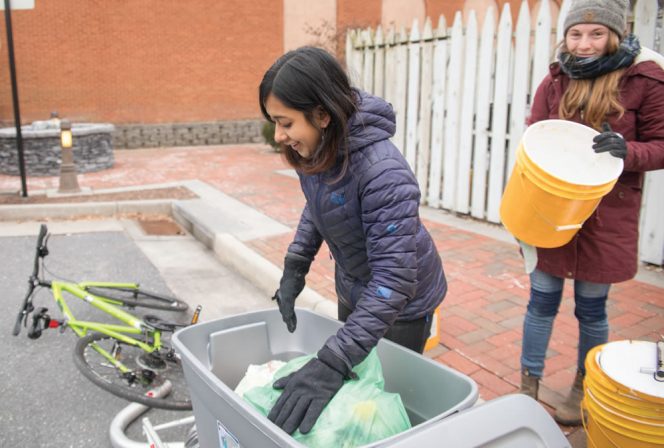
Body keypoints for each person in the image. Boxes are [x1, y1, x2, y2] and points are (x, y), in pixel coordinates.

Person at [258, 46, 447, 435]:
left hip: (401, 306)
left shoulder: (383, 173)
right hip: (356, 286)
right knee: (354, 383)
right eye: (274, 123)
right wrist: (296, 265)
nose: (278, 136)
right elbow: (319, 206)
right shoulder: (320, 148)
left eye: (285, 122)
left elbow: (394, 281)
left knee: (383, 401)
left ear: (322, 115)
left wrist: (332, 361)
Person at [520, 0, 664, 426]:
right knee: (540, 301)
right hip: (553, 210)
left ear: (614, 35)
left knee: (592, 308)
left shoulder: (643, 81)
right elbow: (534, 138)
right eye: (576, 34)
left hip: (607, 215)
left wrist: (628, 150)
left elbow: (660, 143)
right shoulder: (555, 81)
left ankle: (584, 385)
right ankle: (528, 383)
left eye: (596, 33)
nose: (584, 44)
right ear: (565, 36)